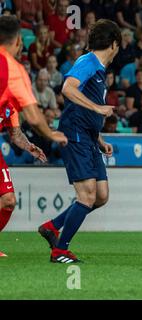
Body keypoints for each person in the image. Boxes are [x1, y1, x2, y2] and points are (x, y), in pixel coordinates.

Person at [38, 19, 121, 264]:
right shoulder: (88, 62)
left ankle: (52, 227)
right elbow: (68, 88)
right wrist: (98, 107)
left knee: (101, 195)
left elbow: (84, 109)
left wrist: (100, 139)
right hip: (75, 135)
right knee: (86, 196)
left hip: (88, 137)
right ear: (114, 44)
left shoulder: (98, 69)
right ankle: (60, 250)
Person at [0, 15, 67, 257]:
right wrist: (51, 135)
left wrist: (30, 147)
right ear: (19, 41)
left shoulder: (9, 101)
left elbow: (15, 133)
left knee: (7, 200)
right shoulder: (13, 70)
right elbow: (36, 117)